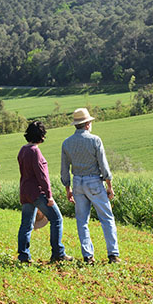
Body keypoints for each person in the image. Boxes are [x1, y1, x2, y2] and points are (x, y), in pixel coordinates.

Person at [61, 108, 120, 265]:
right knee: (106, 218)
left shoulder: (66, 143)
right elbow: (103, 165)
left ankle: (88, 256)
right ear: (87, 124)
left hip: (77, 183)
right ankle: (113, 254)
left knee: (82, 221)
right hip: (94, 182)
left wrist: (68, 189)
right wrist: (109, 185)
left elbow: (64, 169)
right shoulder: (95, 140)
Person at [17, 121, 73, 263]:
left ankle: (23, 256)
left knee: (26, 225)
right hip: (37, 193)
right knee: (57, 219)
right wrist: (49, 196)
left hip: (25, 192)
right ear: (41, 136)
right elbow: (42, 176)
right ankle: (58, 254)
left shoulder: (22, 150)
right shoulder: (35, 151)